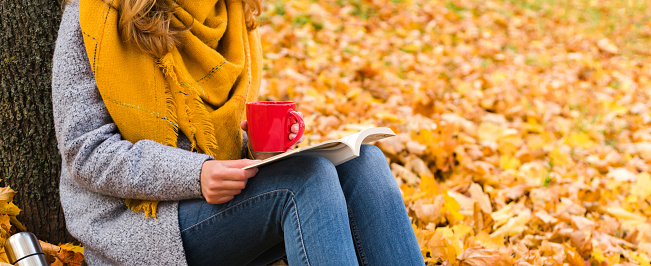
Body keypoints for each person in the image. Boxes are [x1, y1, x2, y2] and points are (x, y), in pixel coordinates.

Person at [52, 0, 424, 265]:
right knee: (306, 181)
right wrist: (194, 174)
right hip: (140, 225)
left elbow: (216, 139)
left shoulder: (231, 13)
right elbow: (86, 150)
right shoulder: (98, 15)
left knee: (364, 160)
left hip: (221, 197)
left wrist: (260, 150)